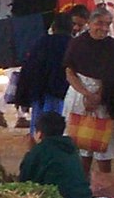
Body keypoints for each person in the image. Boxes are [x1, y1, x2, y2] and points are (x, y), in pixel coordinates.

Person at [63, 6, 114, 176]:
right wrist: (86, 94)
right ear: (90, 23)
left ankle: (104, 188)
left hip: (105, 99)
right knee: (81, 148)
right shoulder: (77, 43)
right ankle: (83, 185)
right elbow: (69, 71)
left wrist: (100, 95)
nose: (104, 28)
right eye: (99, 23)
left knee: (103, 149)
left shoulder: (113, 46)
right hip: (80, 97)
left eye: (108, 24)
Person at [14, 12, 73, 140]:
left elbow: (29, 68)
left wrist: (25, 94)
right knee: (56, 130)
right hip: (61, 93)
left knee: (37, 129)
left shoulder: (42, 42)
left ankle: (35, 154)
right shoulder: (73, 44)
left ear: (54, 27)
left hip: (40, 93)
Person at [19, 111, 92, 198]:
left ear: (39, 134)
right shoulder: (71, 147)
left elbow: (24, 181)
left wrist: (30, 151)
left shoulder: (40, 150)